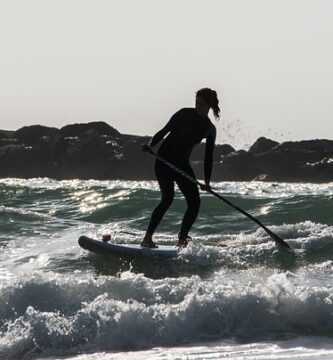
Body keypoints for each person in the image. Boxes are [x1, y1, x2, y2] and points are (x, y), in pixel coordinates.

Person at [141, 88, 220, 248]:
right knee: (167, 199)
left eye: (202, 104)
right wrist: (151, 145)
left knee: (194, 202)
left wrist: (206, 182)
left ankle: (182, 238)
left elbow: (208, 158)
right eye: (196, 102)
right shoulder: (183, 113)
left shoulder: (210, 129)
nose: (198, 106)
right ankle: (147, 238)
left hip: (182, 165)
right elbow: (164, 132)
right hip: (164, 161)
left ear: (209, 106)